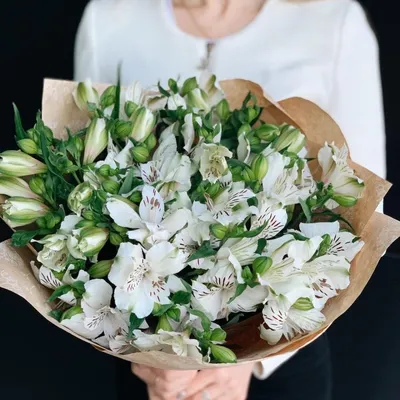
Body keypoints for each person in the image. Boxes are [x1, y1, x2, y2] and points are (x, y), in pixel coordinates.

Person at [74, 0, 386, 399]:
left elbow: (365, 214)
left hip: (279, 359)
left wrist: (251, 361)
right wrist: (154, 359)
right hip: (150, 366)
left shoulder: (333, 20)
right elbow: (87, 181)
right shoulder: (108, 17)